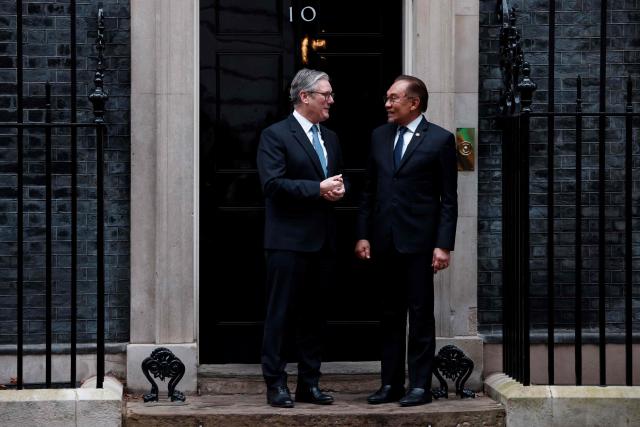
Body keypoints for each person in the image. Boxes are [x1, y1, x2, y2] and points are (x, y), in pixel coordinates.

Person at [355, 75, 458, 407]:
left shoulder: (440, 139)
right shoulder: (378, 136)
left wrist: (443, 244)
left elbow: (448, 199)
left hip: (419, 244)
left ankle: (420, 386)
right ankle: (390, 384)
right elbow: (368, 190)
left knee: (420, 315)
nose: (387, 103)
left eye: (394, 98)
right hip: (384, 241)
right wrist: (363, 234)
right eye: (387, 97)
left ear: (414, 103)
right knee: (389, 315)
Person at [256, 68, 346, 408]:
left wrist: (339, 189)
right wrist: (317, 189)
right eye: (326, 94)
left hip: (323, 241)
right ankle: (275, 384)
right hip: (287, 242)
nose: (331, 100)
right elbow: (272, 185)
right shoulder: (275, 135)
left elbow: (334, 179)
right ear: (304, 96)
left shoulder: (331, 138)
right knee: (280, 314)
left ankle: (309, 384)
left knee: (315, 317)